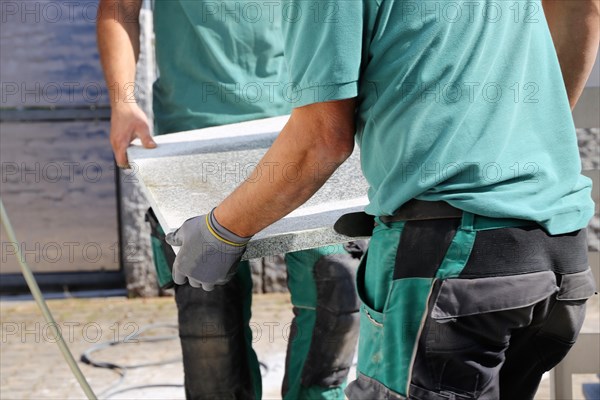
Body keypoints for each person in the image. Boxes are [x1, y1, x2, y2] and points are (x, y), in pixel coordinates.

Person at [166, 0, 599, 398]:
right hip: (559, 251)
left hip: (450, 265)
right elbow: (583, 9)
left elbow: (321, 139)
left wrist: (222, 230)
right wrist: (517, 137)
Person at [96, 1, 364, 399]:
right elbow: (118, 8)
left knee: (336, 294)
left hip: (308, 133)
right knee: (211, 323)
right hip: (196, 143)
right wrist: (122, 101)